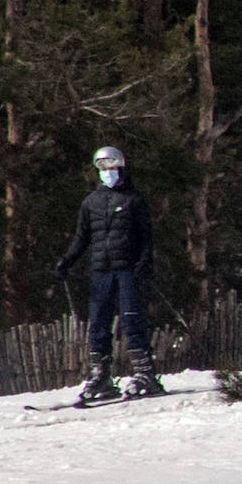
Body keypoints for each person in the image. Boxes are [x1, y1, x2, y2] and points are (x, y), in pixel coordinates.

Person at [54, 145, 165, 400]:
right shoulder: (91, 202)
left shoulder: (133, 199)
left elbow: (146, 237)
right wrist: (67, 261)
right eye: (102, 168)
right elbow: (82, 238)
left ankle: (144, 373)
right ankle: (101, 376)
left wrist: (145, 262)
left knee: (131, 320)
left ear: (121, 168)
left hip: (127, 269)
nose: (108, 172)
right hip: (101, 270)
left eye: (112, 167)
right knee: (99, 324)